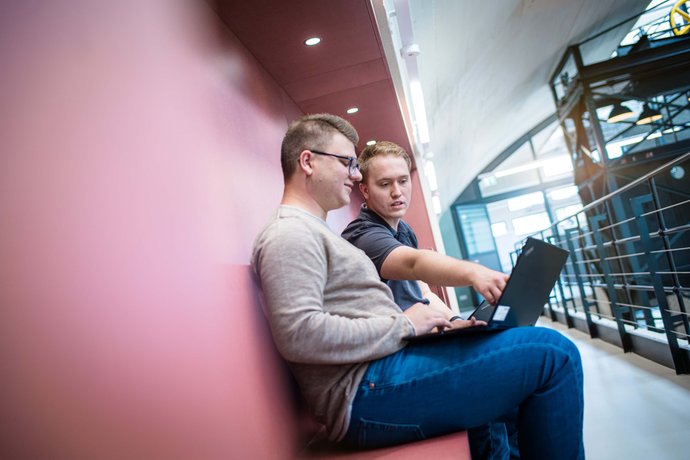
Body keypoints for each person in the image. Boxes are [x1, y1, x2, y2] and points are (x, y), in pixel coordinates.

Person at [251, 113, 585, 459]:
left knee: (515, 350)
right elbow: (299, 335)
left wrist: (433, 326)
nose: (354, 173)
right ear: (308, 161)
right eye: (347, 163)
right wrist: (407, 324)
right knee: (554, 354)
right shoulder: (288, 234)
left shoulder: (314, 233)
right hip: (363, 392)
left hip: (381, 373)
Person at [341, 140, 517, 459]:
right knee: (489, 385)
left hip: (417, 343)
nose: (397, 191)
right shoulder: (361, 235)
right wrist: (473, 273)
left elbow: (421, 291)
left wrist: (453, 321)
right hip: (388, 362)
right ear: (364, 191)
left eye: (403, 181)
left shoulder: (403, 230)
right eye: (384, 184)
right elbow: (413, 263)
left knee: (512, 378)